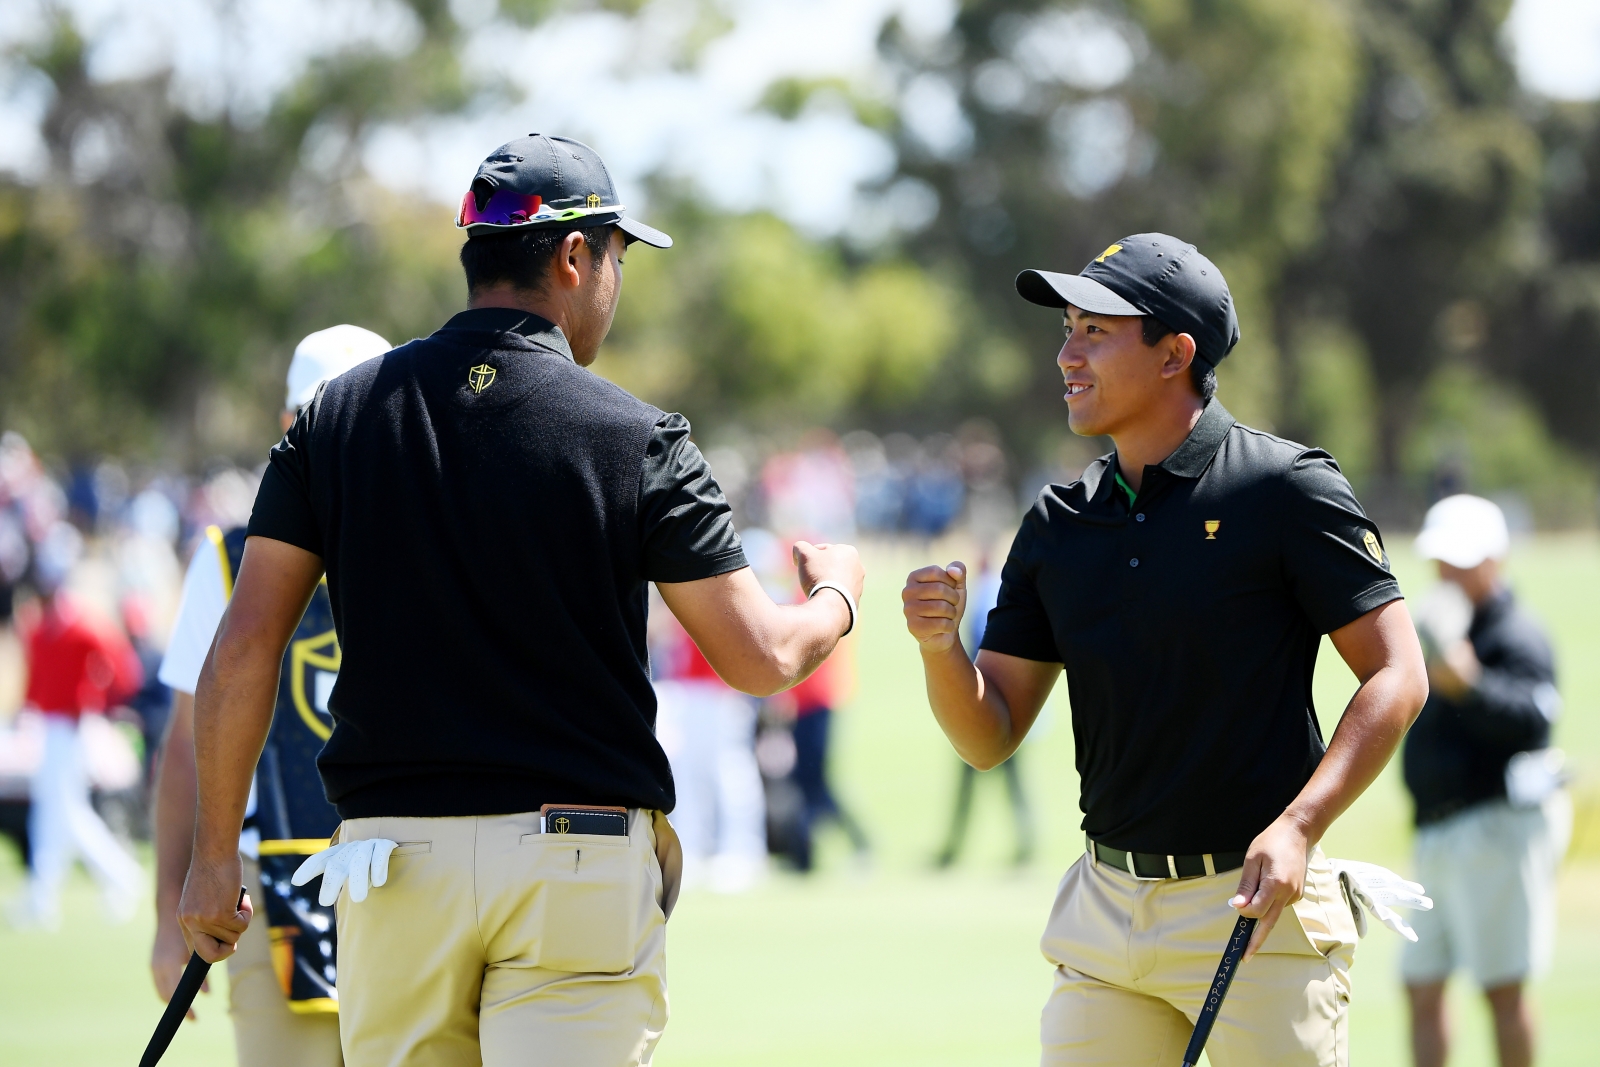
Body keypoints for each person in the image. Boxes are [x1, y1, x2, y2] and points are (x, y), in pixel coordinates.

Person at [177, 133, 863, 1067]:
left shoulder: (335, 418)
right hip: (571, 865)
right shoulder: (640, 436)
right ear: (574, 257)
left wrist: (214, 854)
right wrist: (836, 595)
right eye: (619, 257)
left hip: (389, 865)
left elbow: (245, 643)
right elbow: (763, 656)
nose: (617, 282)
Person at [901, 234, 1430, 1066]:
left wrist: (1299, 826)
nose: (1065, 354)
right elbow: (988, 734)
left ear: (1174, 353)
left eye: (1094, 331)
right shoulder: (1057, 522)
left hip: (1257, 912)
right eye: (1067, 329)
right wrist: (939, 648)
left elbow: (1399, 673)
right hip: (1104, 915)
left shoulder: (1286, 487)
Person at [151, 324, 393, 1066]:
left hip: (419, 873)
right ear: (290, 427)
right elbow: (189, 746)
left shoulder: (434, 546)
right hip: (269, 890)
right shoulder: (227, 559)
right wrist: (170, 913)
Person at [1402, 494, 1565, 1067]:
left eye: (1462, 560)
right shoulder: (1440, 624)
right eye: (1442, 560)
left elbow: (1537, 719)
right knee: (1420, 985)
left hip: (1494, 828)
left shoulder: (1516, 633)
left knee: (1502, 988)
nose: (1448, 572)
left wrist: (1470, 685)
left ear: (1495, 559)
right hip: (1436, 831)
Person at [11, 520, 145, 928]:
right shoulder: (41, 625)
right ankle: (45, 894)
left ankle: (58, 892)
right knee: (59, 813)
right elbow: (35, 680)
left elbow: (124, 669)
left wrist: (98, 699)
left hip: (72, 727)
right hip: (50, 726)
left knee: (62, 811)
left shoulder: (81, 623)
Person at [934, 551, 1034, 869]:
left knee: (977, 780)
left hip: (989, 706)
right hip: (1001, 704)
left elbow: (982, 647)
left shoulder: (990, 595)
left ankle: (956, 846)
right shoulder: (1001, 591)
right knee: (1012, 785)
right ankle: (1025, 844)